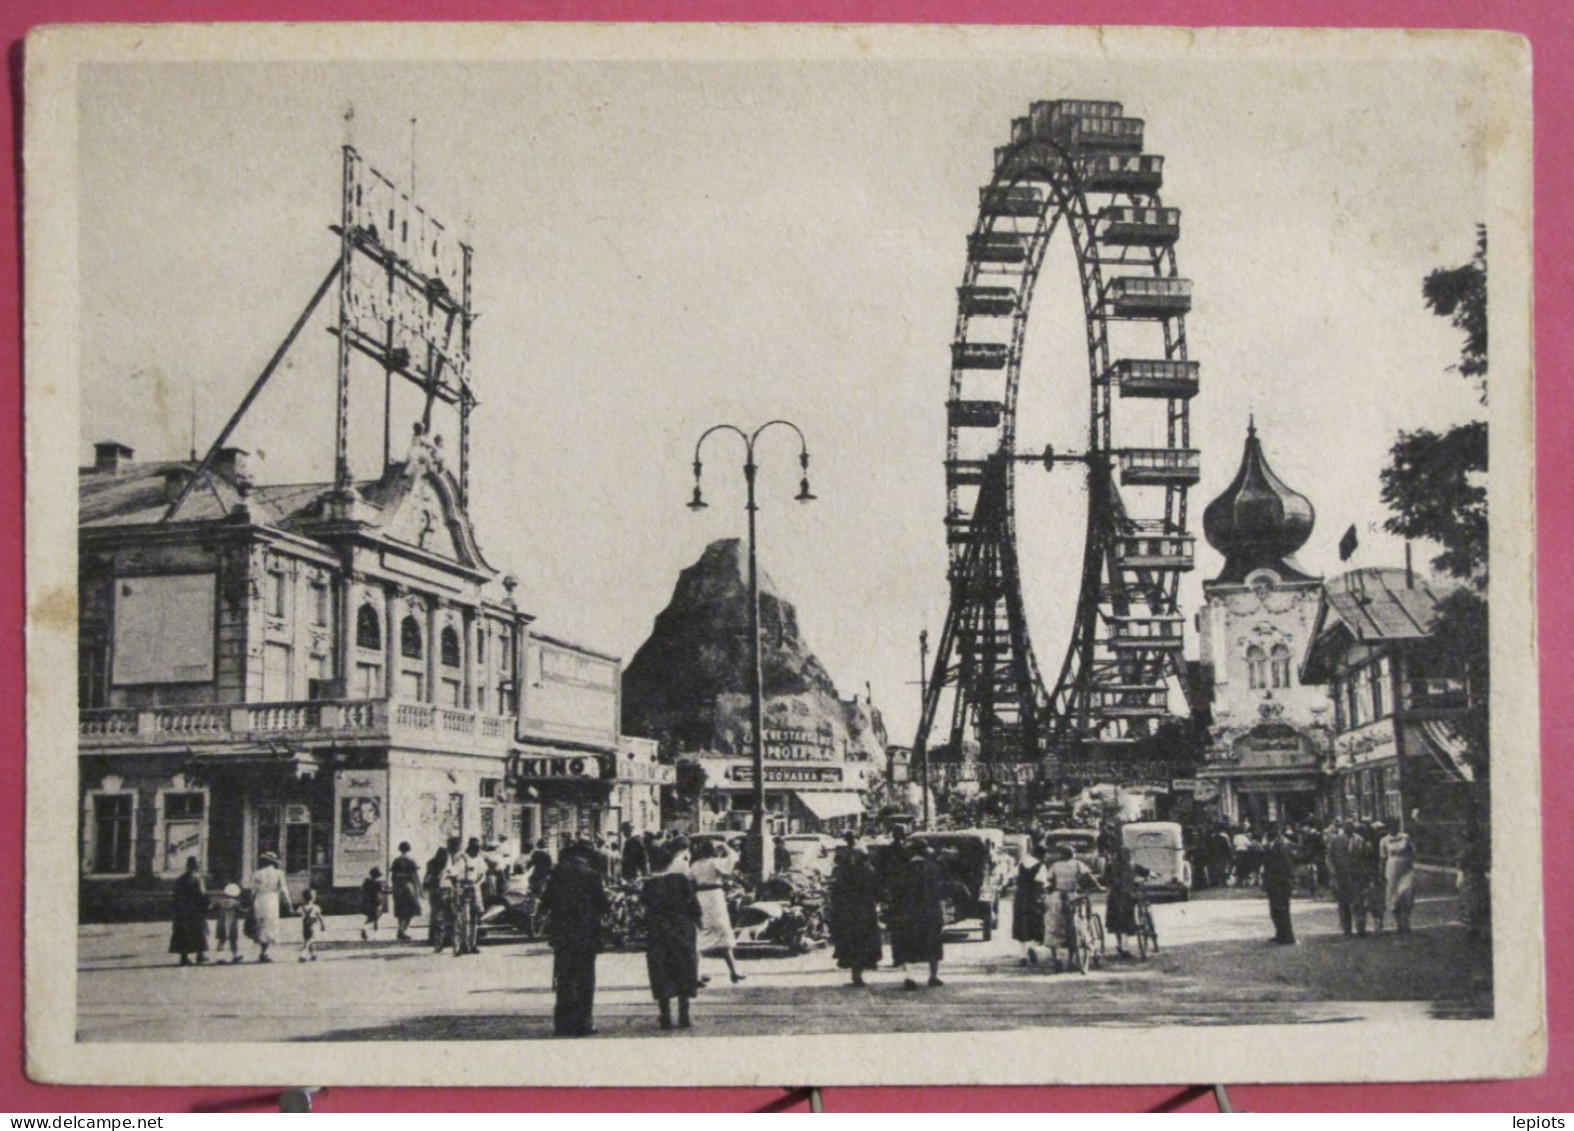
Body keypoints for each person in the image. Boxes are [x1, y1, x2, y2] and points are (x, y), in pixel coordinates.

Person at [539, 841, 610, 1037]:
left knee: (564, 978)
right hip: (586, 935)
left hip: (562, 935)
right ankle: (583, 1023)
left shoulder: (557, 875)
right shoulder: (591, 875)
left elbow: (545, 903)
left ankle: (562, 1024)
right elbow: (603, 904)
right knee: (585, 978)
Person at [642, 837, 703, 1030]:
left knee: (661, 970)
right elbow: (693, 905)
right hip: (681, 928)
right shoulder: (680, 880)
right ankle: (684, 1016)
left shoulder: (649, 885)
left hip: (658, 930)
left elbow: (645, 907)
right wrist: (698, 922)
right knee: (685, 967)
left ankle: (665, 1016)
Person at [889, 843, 946, 990]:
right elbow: (940, 892)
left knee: (907, 944)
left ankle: (910, 977)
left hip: (908, 913)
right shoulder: (934, 868)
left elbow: (896, 893)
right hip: (930, 912)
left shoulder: (903, 870)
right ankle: (933, 976)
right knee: (933, 944)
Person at [828, 839, 883, 986]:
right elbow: (878, 891)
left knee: (852, 941)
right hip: (866, 911)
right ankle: (859, 971)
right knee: (865, 941)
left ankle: (855, 971)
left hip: (849, 912)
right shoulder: (870, 871)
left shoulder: (846, 872)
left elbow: (836, 892)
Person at [690, 839, 745, 985]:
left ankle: (697, 973)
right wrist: (726, 847)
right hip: (715, 897)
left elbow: (691, 881)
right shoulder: (715, 863)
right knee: (723, 931)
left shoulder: (694, 865)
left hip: (701, 897)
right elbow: (733, 861)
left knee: (703, 932)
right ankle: (734, 970)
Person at [1043, 844, 1095, 972]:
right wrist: (1097, 887)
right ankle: (1073, 958)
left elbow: (1048, 882)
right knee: (1075, 925)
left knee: (1054, 925)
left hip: (1057, 897)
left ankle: (1057, 958)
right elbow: (1089, 877)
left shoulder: (1055, 866)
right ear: (1072, 854)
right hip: (1073, 896)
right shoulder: (1077, 864)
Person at [447, 836, 489, 955]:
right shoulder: (462, 859)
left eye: (478, 848)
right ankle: (464, 944)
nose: (476, 851)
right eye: (474, 848)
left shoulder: (479, 860)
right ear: (469, 848)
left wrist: (477, 883)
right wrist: (456, 886)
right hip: (463, 889)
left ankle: (473, 944)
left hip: (474, 889)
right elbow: (453, 872)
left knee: (475, 918)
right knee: (465, 918)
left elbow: (482, 874)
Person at [250, 850, 293, 963]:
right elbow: (284, 890)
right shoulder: (279, 873)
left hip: (260, 899)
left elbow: (253, 891)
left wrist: (250, 904)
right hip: (272, 900)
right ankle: (265, 952)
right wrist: (289, 904)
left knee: (260, 924)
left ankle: (262, 952)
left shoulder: (257, 873)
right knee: (270, 925)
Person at [1011, 837, 1047, 966]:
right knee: (1036, 923)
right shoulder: (1040, 866)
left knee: (1021, 924)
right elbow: (1042, 882)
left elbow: (1013, 876)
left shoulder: (1021, 863)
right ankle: (1032, 946)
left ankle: (1022, 955)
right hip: (1034, 897)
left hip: (1020, 897)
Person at [169, 856, 210, 967]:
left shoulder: (180, 879)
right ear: (196, 866)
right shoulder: (198, 878)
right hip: (195, 910)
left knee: (182, 932)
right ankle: (200, 955)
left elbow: (175, 895)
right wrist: (206, 906)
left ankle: (184, 957)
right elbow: (202, 894)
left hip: (182, 910)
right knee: (199, 931)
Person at [1104, 846, 1143, 958]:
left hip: (1114, 897)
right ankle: (1124, 947)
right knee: (1127, 921)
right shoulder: (1132, 865)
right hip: (1128, 896)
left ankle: (1121, 945)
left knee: (1116, 922)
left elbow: (1106, 879)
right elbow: (1146, 872)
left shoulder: (1111, 866)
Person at [1262, 822, 1297, 945]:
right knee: (1275, 910)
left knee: (1282, 909)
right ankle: (1280, 934)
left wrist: (1289, 880)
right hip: (1273, 882)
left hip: (1281, 882)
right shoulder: (1272, 844)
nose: (1268, 833)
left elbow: (1287, 865)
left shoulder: (1281, 845)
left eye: (1271, 830)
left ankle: (1287, 937)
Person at [1381, 823, 1416, 935]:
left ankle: (1406, 922)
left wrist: (1410, 863)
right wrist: (1381, 873)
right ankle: (1399, 924)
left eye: (1395, 827)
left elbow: (1412, 851)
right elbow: (1382, 857)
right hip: (1392, 870)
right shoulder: (1384, 840)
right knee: (1395, 898)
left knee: (1406, 894)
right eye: (1391, 827)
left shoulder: (1405, 837)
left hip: (1406, 870)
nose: (1393, 829)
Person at [1326, 822, 1357, 937]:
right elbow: (1329, 857)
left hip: (1355, 874)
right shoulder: (1335, 840)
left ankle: (1360, 926)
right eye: (1347, 827)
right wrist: (1333, 871)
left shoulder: (1359, 839)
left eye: (1351, 827)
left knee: (1357, 901)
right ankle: (1347, 928)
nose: (1349, 829)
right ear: (1344, 829)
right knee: (1343, 902)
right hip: (1340, 874)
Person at [389, 842, 423, 941]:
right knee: (411, 909)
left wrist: (395, 886)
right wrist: (420, 889)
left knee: (400, 910)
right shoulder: (411, 860)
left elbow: (393, 876)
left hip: (398, 888)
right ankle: (403, 930)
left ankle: (401, 929)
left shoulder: (396, 860)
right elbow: (415, 876)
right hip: (409, 887)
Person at [423, 845, 452, 951]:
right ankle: (445, 938)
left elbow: (427, 877)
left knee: (435, 914)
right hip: (444, 889)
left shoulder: (430, 863)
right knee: (446, 914)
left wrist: (425, 887)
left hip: (433, 890)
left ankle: (433, 938)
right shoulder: (447, 864)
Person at [1362, 822, 1388, 933]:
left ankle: (1378, 920)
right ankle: (1378, 920)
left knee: (1378, 898)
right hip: (1374, 873)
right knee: (1376, 898)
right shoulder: (1369, 845)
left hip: (1381, 873)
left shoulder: (1384, 842)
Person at [210, 881, 245, 965]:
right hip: (232, 923)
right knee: (233, 940)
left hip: (221, 923)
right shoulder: (236, 903)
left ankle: (220, 957)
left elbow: (211, 909)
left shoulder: (220, 902)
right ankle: (235, 956)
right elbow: (242, 911)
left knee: (221, 940)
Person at [298, 888, 327, 961]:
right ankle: (303, 955)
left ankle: (313, 954)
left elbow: (298, 914)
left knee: (307, 940)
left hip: (305, 926)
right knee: (310, 940)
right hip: (312, 926)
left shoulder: (301, 907)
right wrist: (323, 925)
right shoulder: (315, 907)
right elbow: (320, 917)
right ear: (314, 898)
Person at [360, 866, 389, 940]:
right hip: (377, 901)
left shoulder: (367, 882)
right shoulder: (380, 883)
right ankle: (375, 934)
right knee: (376, 918)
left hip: (368, 901)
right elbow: (383, 890)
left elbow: (363, 889)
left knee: (370, 917)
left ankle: (365, 928)